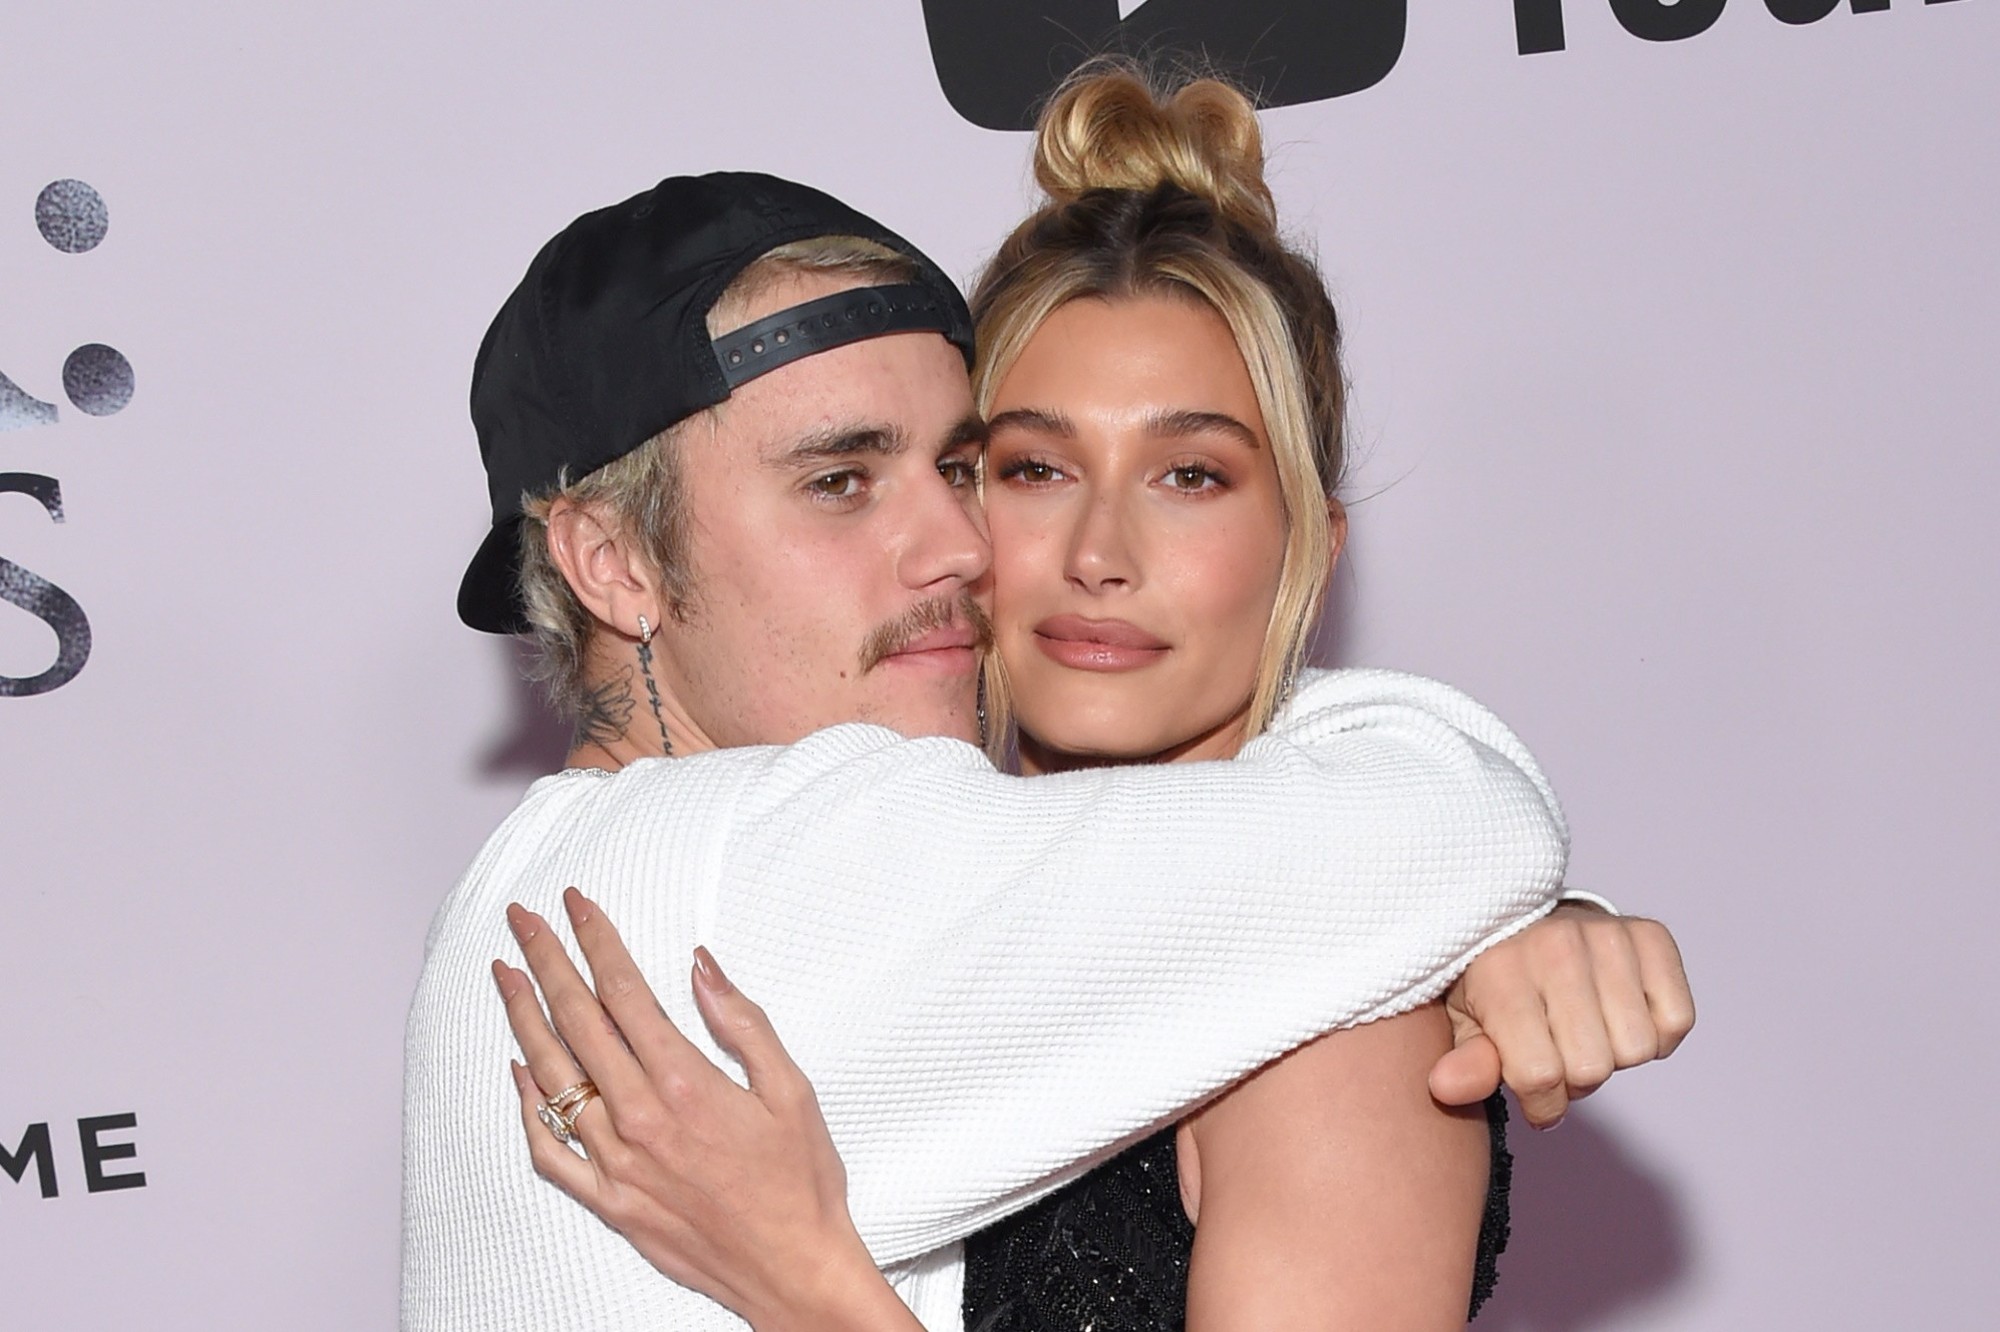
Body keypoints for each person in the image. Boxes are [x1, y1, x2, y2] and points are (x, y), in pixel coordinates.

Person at [404, 144, 1689, 1332]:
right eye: (841, 481)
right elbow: (1445, 821)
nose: (965, 551)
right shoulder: (777, 857)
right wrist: (1524, 903)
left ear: (1306, 538)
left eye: (961, 469)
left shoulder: (516, 886)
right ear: (611, 560)